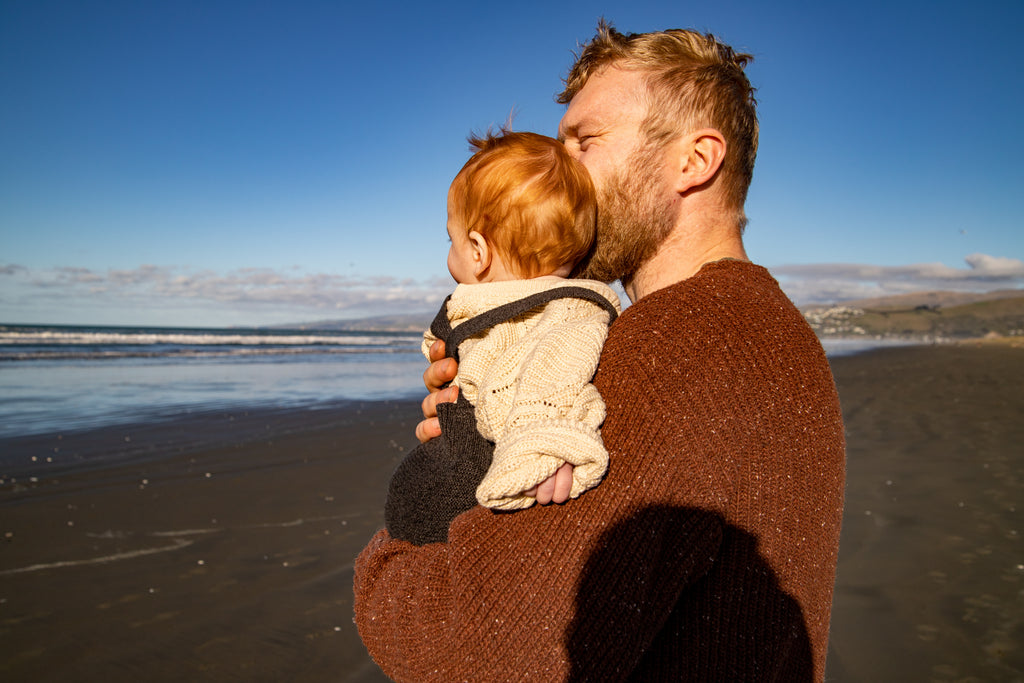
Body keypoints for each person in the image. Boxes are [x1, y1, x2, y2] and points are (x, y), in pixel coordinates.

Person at [355, 20, 845, 682]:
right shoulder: (762, 325)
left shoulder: (684, 341)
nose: (559, 170)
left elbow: (479, 647)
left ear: (694, 161)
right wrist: (479, 437)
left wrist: (388, 558)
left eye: (585, 141)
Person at [384, 130, 621, 546]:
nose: (449, 253)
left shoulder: (566, 313)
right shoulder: (501, 305)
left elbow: (553, 377)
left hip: (476, 486)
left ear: (477, 250)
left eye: (450, 239)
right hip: (452, 477)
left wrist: (541, 452)